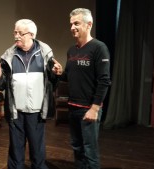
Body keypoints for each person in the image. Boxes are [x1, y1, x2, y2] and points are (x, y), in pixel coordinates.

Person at [0, 19, 63, 169]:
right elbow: (1, 86)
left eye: (20, 33)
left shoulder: (45, 55)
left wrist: (57, 74)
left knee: (37, 150)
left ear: (32, 34)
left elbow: (52, 83)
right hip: (16, 113)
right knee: (16, 150)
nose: (16, 36)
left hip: (37, 112)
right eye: (15, 32)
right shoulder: (7, 57)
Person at [61, 8, 111, 169]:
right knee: (77, 147)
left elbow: (104, 80)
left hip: (88, 109)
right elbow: (68, 76)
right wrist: (58, 72)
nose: (72, 27)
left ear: (89, 24)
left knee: (90, 150)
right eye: (71, 24)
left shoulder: (99, 47)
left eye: (76, 23)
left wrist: (95, 108)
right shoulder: (71, 50)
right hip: (73, 107)